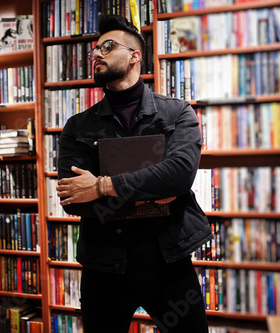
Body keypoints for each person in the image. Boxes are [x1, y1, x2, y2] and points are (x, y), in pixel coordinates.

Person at [56, 14, 211, 333]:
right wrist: (153, 197)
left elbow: (179, 177)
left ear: (135, 55)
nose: (96, 53)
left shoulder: (177, 113)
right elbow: (73, 200)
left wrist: (101, 186)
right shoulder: (78, 126)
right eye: (94, 49)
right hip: (103, 267)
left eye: (107, 46)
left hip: (169, 264)